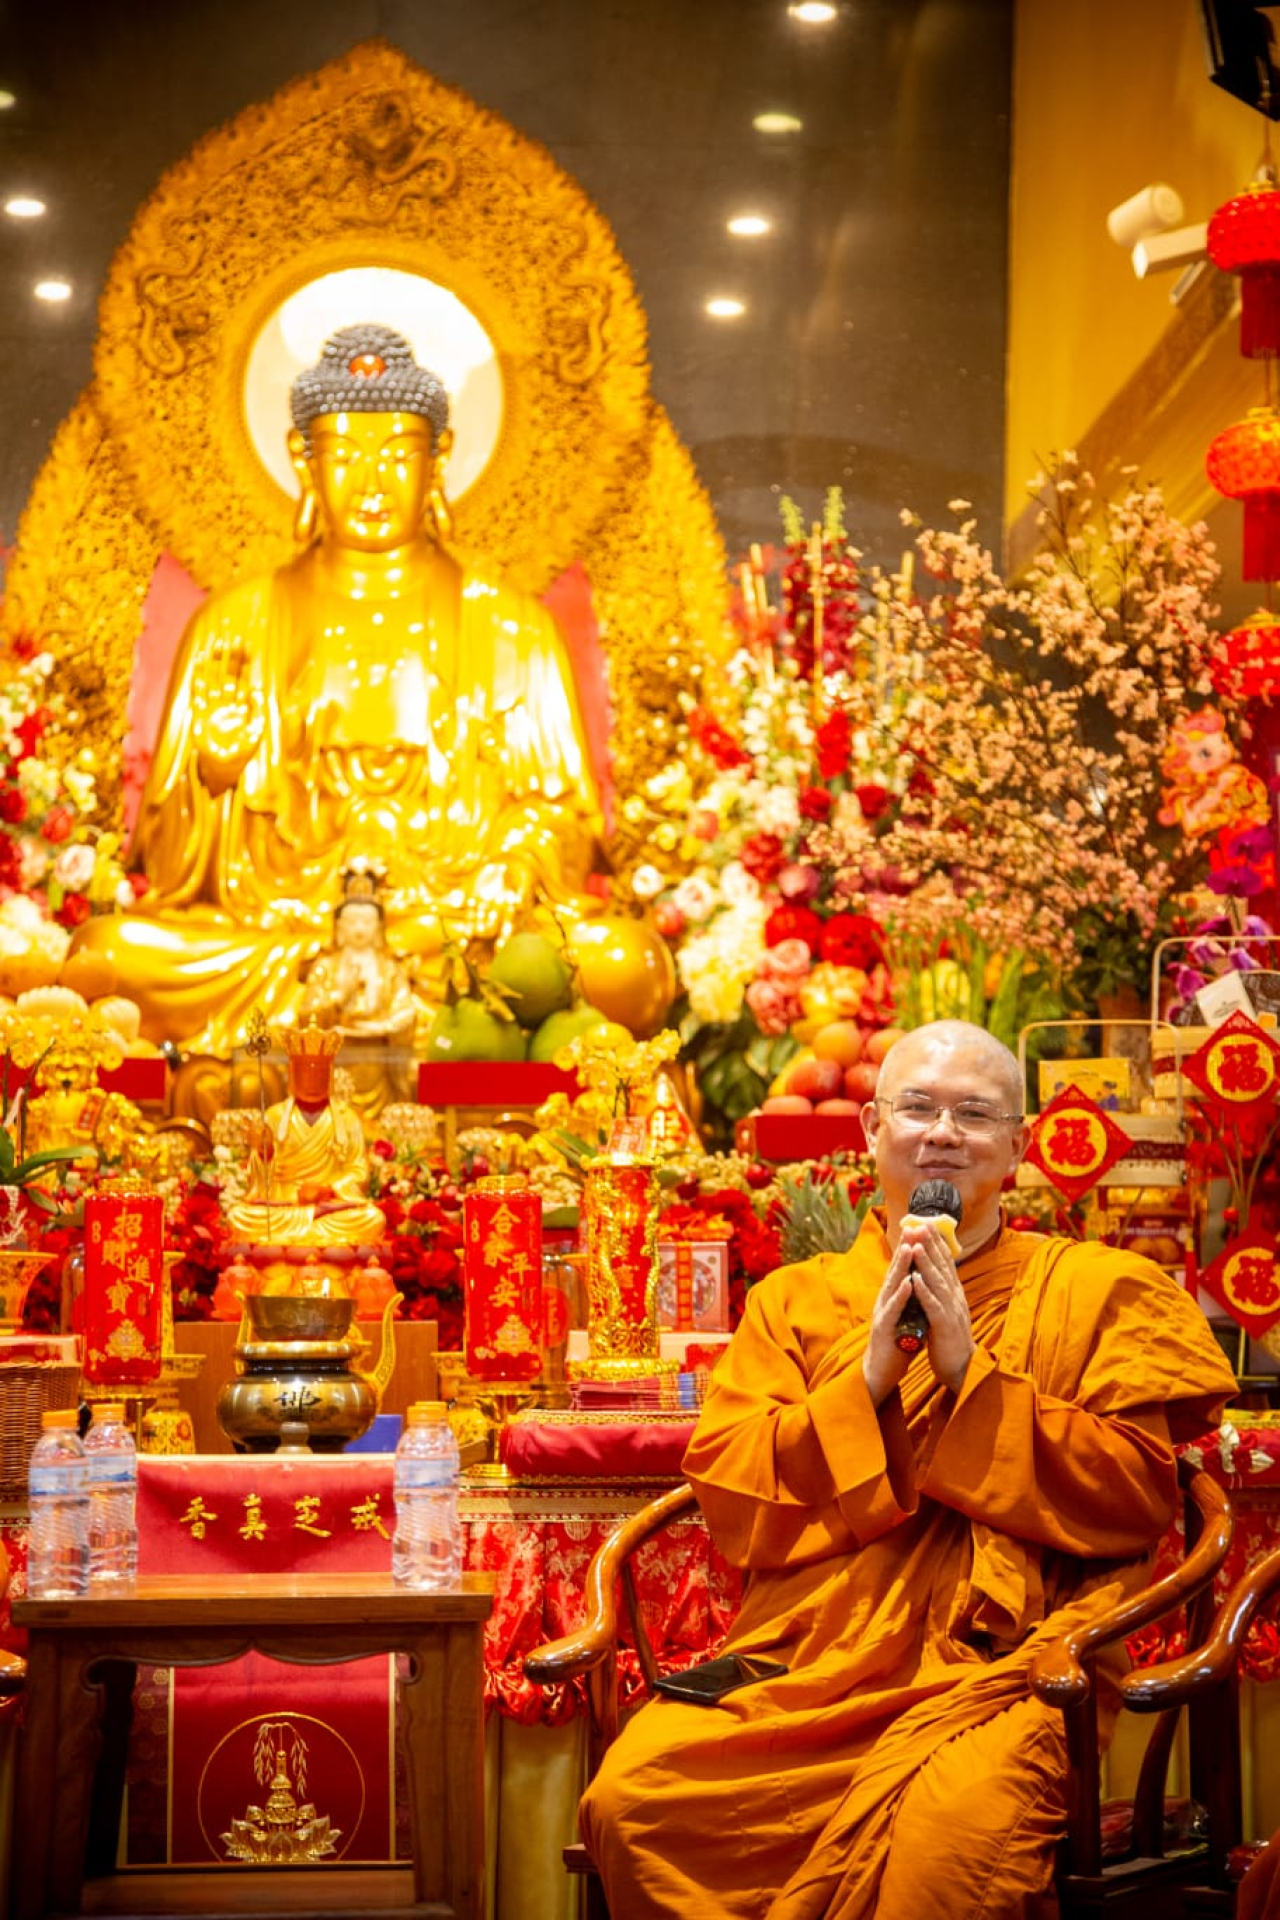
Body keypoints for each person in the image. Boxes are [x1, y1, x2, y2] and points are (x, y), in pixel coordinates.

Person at [580, 1019, 1237, 1918]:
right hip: (811, 1662)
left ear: (1019, 1145)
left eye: (974, 1114)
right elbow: (734, 1495)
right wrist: (868, 1380)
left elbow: (1135, 1495)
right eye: (918, 1108)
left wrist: (974, 1376)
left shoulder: (1097, 1291)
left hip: (999, 1668)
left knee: (950, 1850)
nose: (942, 1132)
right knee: (636, 1804)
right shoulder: (796, 1303)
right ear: (869, 1133)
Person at [78, 323, 604, 1054]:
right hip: (279, 931)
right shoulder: (232, 625)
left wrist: (515, 865)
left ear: (440, 455)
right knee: (105, 955)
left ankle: (370, 1011)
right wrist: (217, 775)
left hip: (450, 929)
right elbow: (170, 869)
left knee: (621, 964)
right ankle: (383, 1010)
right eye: (346, 455)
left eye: (396, 455)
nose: (371, 482)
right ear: (302, 457)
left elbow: (564, 819)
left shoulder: (513, 629)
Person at [223, 1020, 385, 1251]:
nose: (311, 1079)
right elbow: (260, 1180)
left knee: (372, 1218)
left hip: (329, 1208)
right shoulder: (274, 1117)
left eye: (318, 1071)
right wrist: (264, 1152)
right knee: (240, 1217)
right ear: (292, 1073)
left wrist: (328, 1190)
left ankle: (301, 1237)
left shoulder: (347, 1119)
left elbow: (358, 1171)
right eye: (304, 1070)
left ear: (329, 1074)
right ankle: (308, 1236)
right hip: (285, 1205)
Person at [298, 864, 421, 1117]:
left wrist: (382, 1028)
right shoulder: (326, 968)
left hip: (379, 1062)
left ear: (378, 927)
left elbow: (406, 1011)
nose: (359, 929)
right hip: (336, 1064)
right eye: (352, 921)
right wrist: (339, 998)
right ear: (339, 926)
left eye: (366, 921)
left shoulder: (389, 968)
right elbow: (306, 1014)